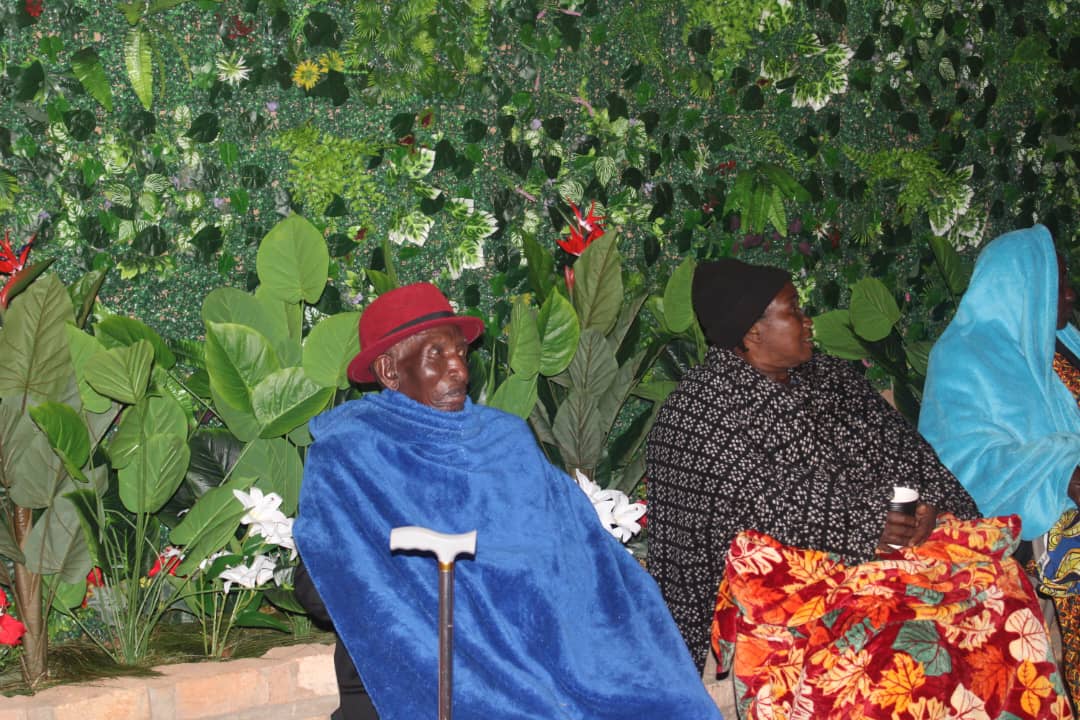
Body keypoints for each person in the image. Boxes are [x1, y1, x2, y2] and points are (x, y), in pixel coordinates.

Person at [293, 282, 722, 720]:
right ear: (388, 371)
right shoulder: (353, 453)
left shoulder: (505, 438)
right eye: (436, 355)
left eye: (461, 353)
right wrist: (412, 582)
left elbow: (575, 547)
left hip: (539, 661)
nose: (458, 369)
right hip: (406, 675)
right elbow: (318, 588)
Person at [646, 258, 980, 672]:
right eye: (794, 311)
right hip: (784, 588)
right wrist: (868, 524)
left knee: (990, 590)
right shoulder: (699, 409)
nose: (808, 322)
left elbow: (907, 451)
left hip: (887, 552)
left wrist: (924, 505)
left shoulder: (832, 379)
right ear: (753, 330)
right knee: (904, 640)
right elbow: (760, 504)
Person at [919, 224, 1080, 711]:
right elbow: (966, 468)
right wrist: (1061, 470)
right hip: (1027, 518)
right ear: (1022, 286)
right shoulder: (964, 358)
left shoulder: (1067, 340)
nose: (1070, 291)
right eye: (1059, 280)